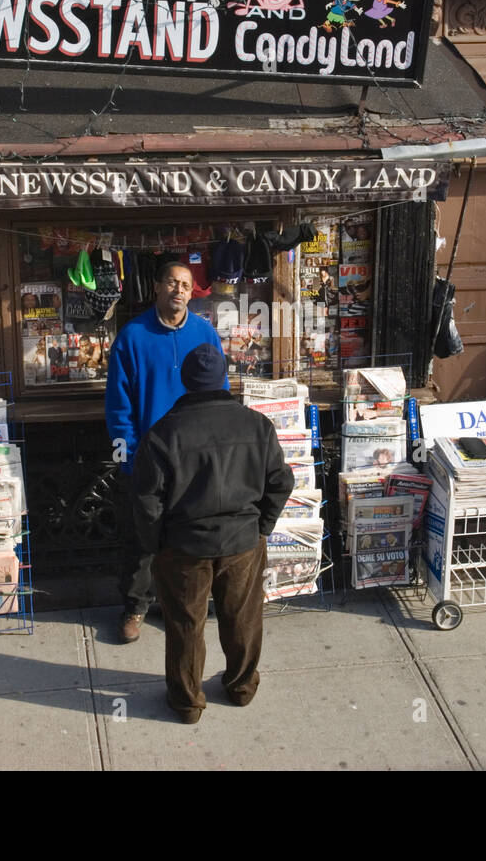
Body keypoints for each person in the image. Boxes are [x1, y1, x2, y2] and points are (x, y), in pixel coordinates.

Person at [132, 343, 294, 724]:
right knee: (244, 617)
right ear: (223, 377)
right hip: (242, 540)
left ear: (186, 381)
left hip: (185, 546)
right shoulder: (257, 425)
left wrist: (157, 544)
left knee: (186, 624)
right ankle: (241, 687)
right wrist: (261, 528)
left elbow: (146, 500)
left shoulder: (163, 433)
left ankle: (187, 703)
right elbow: (280, 482)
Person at [105, 260, 225, 643]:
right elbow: (118, 404)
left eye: (186, 285)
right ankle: (135, 606)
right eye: (172, 283)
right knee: (141, 537)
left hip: (194, 457)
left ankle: (185, 603)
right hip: (146, 455)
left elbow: (219, 396)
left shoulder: (206, 334)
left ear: (193, 292)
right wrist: (125, 454)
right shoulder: (132, 336)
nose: (178, 290)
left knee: (191, 535)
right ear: (158, 287)